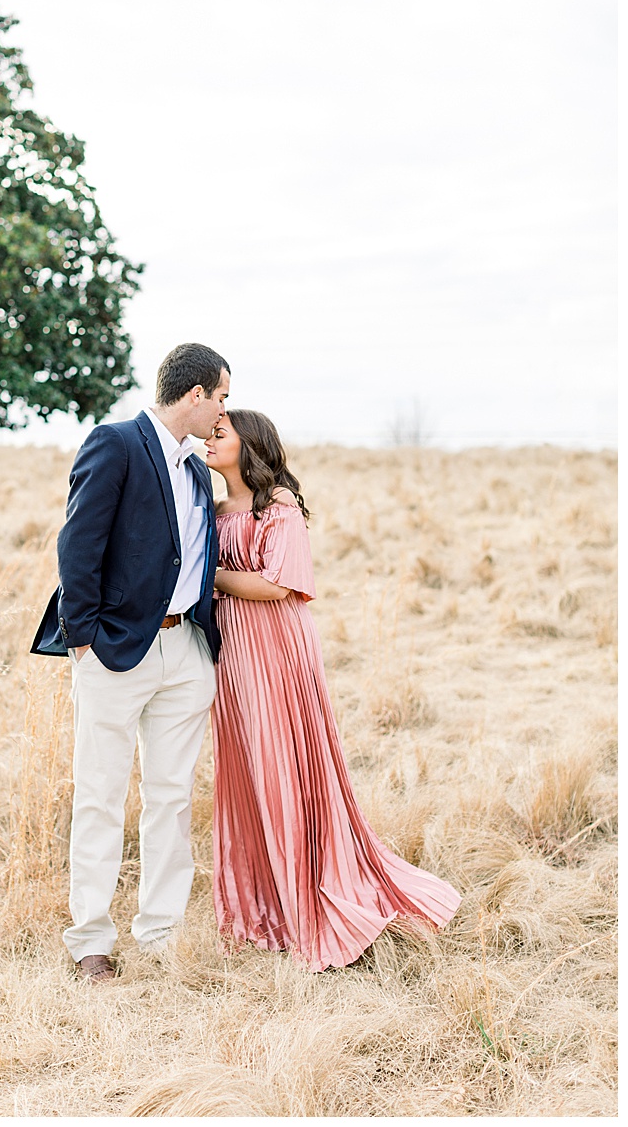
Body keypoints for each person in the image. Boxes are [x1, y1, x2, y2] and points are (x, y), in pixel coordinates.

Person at [204, 408, 459, 970]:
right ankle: (264, 900)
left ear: (249, 444)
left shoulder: (279, 508)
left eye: (220, 432)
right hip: (233, 655)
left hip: (277, 649)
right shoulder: (214, 508)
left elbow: (276, 586)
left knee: (286, 764)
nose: (208, 439)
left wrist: (208, 577)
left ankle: (312, 889)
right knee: (249, 769)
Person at [33, 342, 230, 982]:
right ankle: (91, 939)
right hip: (115, 651)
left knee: (171, 797)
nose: (223, 410)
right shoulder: (114, 442)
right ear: (195, 393)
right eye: (221, 396)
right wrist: (81, 635)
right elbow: (79, 540)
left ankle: (161, 931)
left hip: (186, 652)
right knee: (100, 793)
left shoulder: (200, 470)